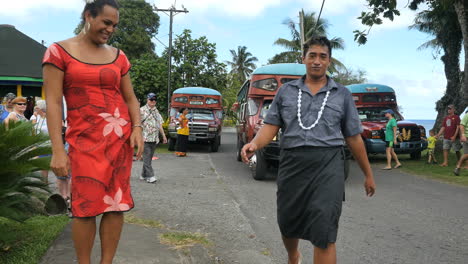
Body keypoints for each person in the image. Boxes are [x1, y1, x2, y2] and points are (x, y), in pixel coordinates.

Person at [241, 36, 376, 264]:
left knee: (324, 229)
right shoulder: (286, 92)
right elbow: (271, 126)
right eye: (312, 55)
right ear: (303, 58)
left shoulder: (342, 94)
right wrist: (255, 143)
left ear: (329, 61)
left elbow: (353, 138)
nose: (316, 61)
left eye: (322, 56)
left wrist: (368, 174)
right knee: (288, 221)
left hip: (328, 165)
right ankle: (293, 256)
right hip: (293, 162)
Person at [42, 1, 143, 263]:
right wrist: (57, 150)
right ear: (89, 16)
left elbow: (130, 98)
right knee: (84, 208)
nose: (110, 29)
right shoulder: (58, 52)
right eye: (106, 22)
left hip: (118, 140)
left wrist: (137, 128)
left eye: (114, 25)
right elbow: (53, 103)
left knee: (115, 204)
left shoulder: (119, 56)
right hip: (83, 142)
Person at [140, 92, 167, 183]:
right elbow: (137, 124)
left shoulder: (156, 111)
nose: (153, 101)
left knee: (149, 157)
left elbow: (159, 124)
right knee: (147, 157)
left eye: (154, 100)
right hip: (145, 138)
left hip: (154, 139)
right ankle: (150, 176)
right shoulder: (141, 110)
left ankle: (143, 175)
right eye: (151, 99)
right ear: (147, 100)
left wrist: (163, 136)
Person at [32, 100, 51, 183]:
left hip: (49, 145)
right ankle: (44, 183)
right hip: (40, 146)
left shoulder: (50, 118)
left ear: (41, 108)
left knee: (50, 166)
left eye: (37, 106)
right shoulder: (37, 117)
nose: (35, 108)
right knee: (43, 166)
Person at [454, 110, 468, 176]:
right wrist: (463, 135)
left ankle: (458, 167)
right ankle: (458, 167)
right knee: (466, 154)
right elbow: (462, 125)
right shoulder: (467, 115)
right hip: (467, 137)